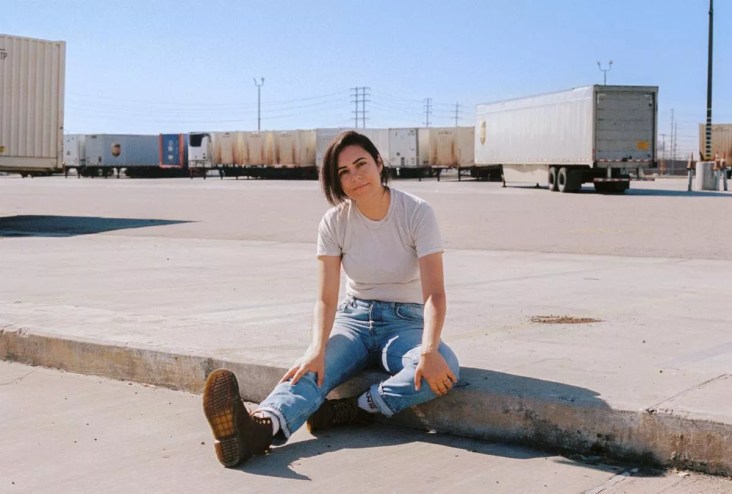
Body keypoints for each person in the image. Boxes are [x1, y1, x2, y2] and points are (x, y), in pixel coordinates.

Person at [202, 130, 460, 467]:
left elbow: (435, 293)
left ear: (379, 163)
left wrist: (428, 350)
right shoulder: (334, 222)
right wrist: (316, 348)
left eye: (360, 164)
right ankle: (257, 428)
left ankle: (358, 408)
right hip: (353, 319)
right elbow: (325, 298)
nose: (355, 177)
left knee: (444, 367)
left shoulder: (416, 212)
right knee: (312, 370)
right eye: (343, 172)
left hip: (406, 322)